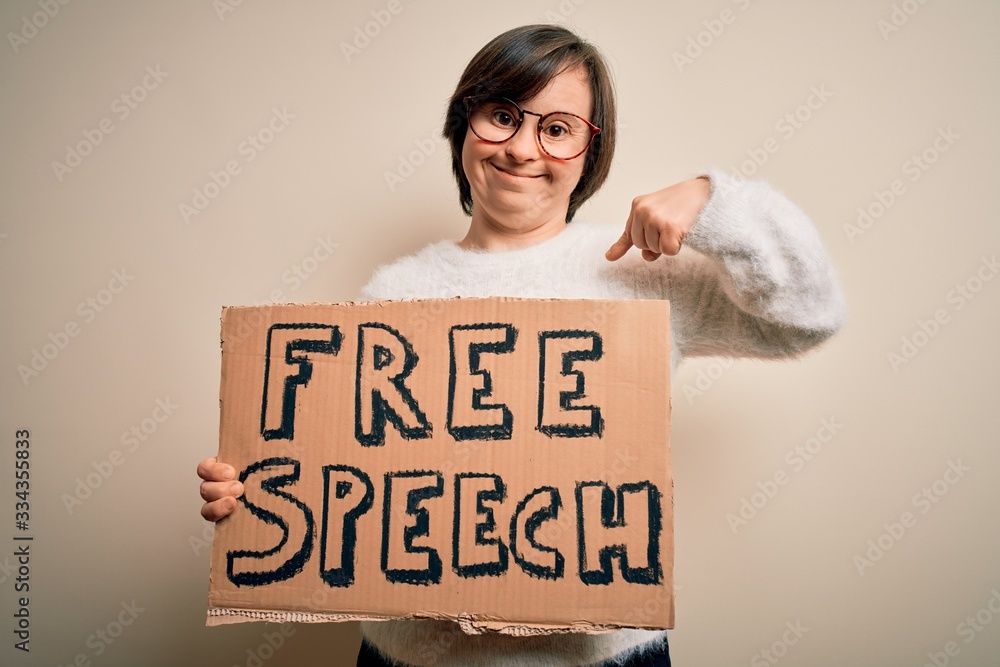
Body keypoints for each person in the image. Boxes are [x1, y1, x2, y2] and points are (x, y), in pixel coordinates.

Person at [198, 24, 845, 667]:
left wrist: (713, 201)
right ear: (465, 123)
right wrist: (254, 493)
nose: (521, 147)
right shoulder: (392, 292)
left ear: (590, 152)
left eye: (557, 127)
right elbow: (343, 477)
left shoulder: (640, 273)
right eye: (502, 115)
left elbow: (808, 314)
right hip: (413, 660)